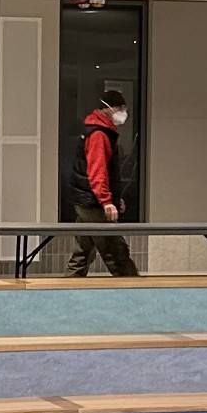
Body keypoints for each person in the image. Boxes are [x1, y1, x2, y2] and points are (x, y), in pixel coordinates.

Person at [65, 86, 140, 278]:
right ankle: (133, 288)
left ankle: (67, 288)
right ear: (108, 109)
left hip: (85, 200)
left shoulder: (97, 130)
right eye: (120, 108)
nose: (123, 112)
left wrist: (115, 197)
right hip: (93, 203)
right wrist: (106, 201)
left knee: (83, 253)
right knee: (116, 252)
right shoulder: (99, 134)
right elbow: (97, 171)